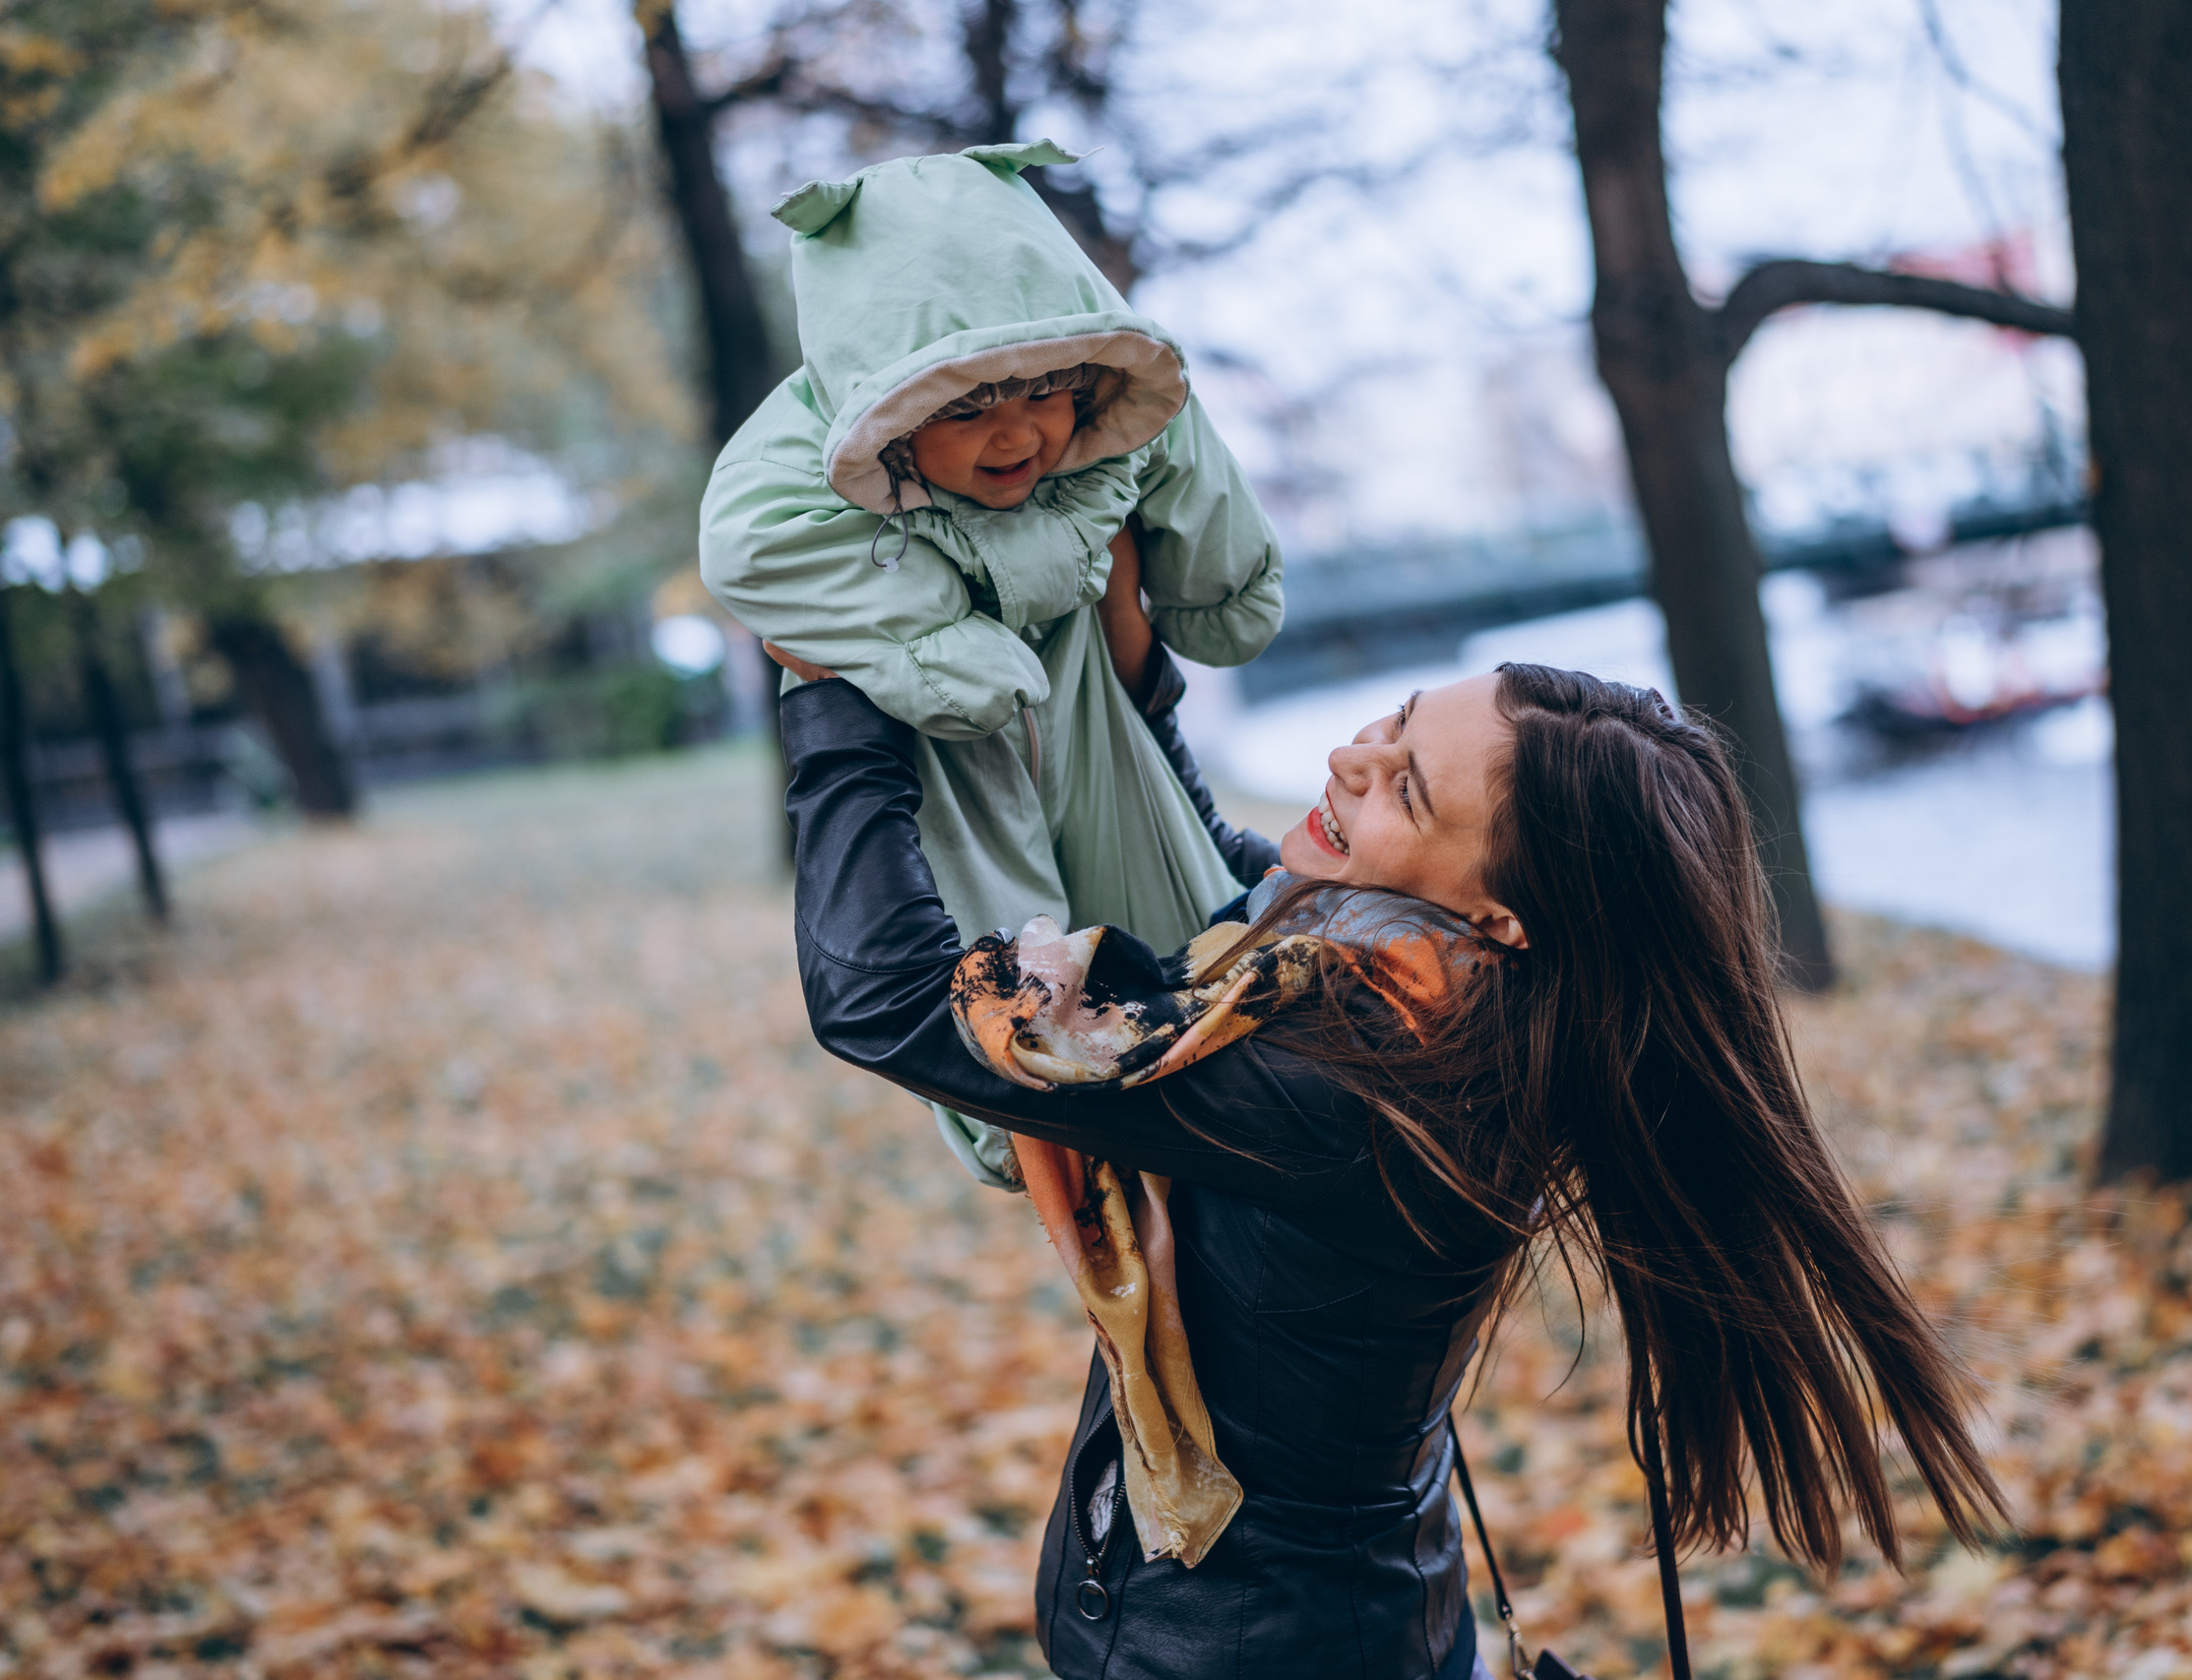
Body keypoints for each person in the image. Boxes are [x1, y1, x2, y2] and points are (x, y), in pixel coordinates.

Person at [770, 626, 2010, 1678]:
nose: (1348, 760)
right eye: (1398, 721)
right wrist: (1139, 689)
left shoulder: (1355, 1084)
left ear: (1500, 914)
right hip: (1353, 1619)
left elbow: (888, 999)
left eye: (1405, 788)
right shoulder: (1437, 997)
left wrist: (831, 707)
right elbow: (1253, 893)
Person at [702, 139, 1283, 1193]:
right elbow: (747, 537)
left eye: (1049, 390)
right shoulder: (799, 455)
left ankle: (1185, 1052)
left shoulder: (1121, 421)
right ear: (887, 415)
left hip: (1094, 714)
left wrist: (1218, 585)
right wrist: (936, 643)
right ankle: (1029, 1121)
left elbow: (1185, 452)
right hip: (946, 751)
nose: (1017, 434)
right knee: (1013, 998)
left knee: (1197, 964)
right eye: (965, 407)